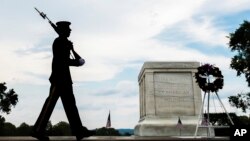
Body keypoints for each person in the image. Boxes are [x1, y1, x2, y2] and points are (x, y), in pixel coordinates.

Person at [31, 21, 95, 141]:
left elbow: (75, 59)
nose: (70, 30)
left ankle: (78, 131)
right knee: (50, 105)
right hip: (59, 79)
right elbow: (63, 61)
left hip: (64, 79)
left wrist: (72, 49)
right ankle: (37, 131)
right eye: (68, 29)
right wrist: (77, 62)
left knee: (70, 106)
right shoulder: (59, 42)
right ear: (62, 30)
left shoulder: (64, 43)